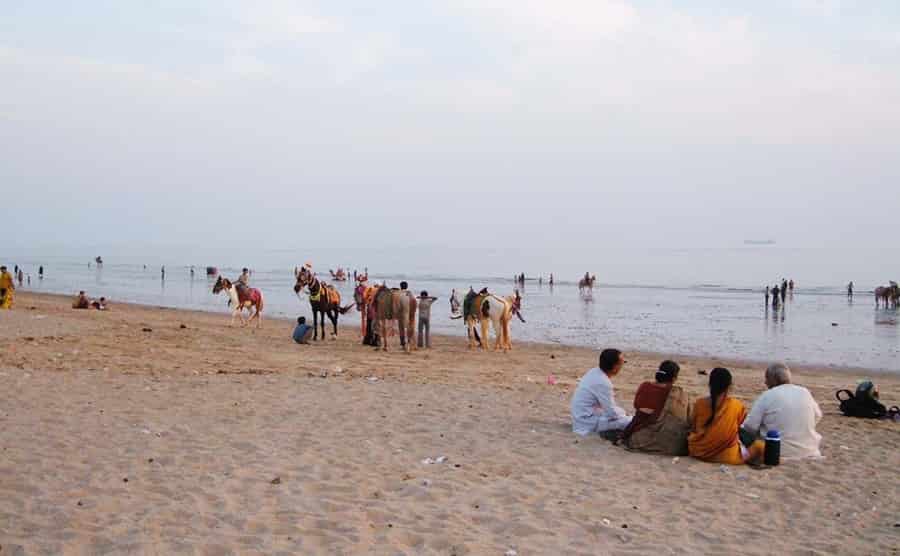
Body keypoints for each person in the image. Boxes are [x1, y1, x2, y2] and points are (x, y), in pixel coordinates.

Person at [741, 363, 822, 459]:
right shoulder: (804, 392)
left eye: (767, 378)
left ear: (773, 380)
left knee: (741, 431)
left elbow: (750, 426)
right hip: (808, 450)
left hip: (776, 450)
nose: (765, 382)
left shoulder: (768, 395)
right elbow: (818, 416)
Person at [688, 368, 764, 465]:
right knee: (760, 446)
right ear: (729, 386)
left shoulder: (699, 403)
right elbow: (740, 425)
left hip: (698, 452)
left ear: (710, 384)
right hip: (727, 456)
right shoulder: (736, 405)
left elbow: (693, 427)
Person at [622, 360, 691, 455]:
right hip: (671, 444)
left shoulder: (645, 386)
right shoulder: (678, 395)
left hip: (640, 439)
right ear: (674, 378)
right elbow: (687, 419)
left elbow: (637, 406)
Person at [570, 349, 633, 437]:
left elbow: (606, 407)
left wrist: (621, 412)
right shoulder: (603, 382)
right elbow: (612, 413)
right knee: (630, 421)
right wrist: (623, 413)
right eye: (621, 363)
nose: (622, 366)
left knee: (621, 414)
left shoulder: (594, 371)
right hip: (587, 422)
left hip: (582, 415)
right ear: (615, 367)